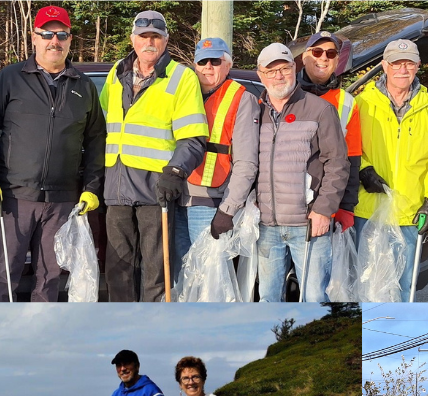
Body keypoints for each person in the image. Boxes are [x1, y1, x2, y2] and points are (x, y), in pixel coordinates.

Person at [0, 5, 106, 301]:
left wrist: (91, 187)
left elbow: (97, 140)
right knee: (6, 270)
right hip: (15, 196)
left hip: (62, 199)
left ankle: (40, 334)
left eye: (61, 34)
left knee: (50, 274)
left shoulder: (83, 86)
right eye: (47, 33)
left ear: (70, 40)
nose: (54, 41)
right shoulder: (11, 78)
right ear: (34, 38)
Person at [223, 43, 349, 302]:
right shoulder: (256, 113)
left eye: (284, 68)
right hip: (268, 226)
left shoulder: (320, 110)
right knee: (269, 300)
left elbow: (337, 163)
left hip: (309, 226)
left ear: (295, 69)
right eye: (271, 71)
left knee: (314, 300)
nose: (278, 76)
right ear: (260, 75)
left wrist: (324, 210)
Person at [100, 11, 208, 301]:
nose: (149, 42)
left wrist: (174, 172)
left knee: (155, 272)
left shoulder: (181, 78)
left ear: (165, 40)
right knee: (118, 270)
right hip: (116, 187)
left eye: (155, 37)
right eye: (143, 36)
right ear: (133, 39)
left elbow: (194, 137)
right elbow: (100, 127)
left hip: (155, 189)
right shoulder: (116, 73)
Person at [352, 39, 428, 301]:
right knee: (367, 281)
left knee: (405, 283)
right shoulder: (363, 103)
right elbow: (347, 147)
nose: (402, 70)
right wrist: (363, 169)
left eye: (409, 63)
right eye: (396, 63)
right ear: (384, 66)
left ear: (418, 66)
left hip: (411, 213)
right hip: (369, 210)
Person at [171, 37, 257, 282]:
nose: (208, 67)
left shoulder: (242, 99)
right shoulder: (185, 94)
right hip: (178, 199)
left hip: (210, 205)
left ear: (227, 65)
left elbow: (247, 163)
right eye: (203, 61)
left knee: (209, 280)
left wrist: (227, 211)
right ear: (195, 65)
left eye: (215, 61)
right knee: (182, 279)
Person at [296, 31, 367, 234]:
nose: (323, 58)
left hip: (324, 209)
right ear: (304, 57)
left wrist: (347, 206)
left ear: (337, 60)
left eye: (330, 53)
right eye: (317, 52)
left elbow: (351, 158)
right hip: (280, 206)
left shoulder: (346, 102)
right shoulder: (286, 94)